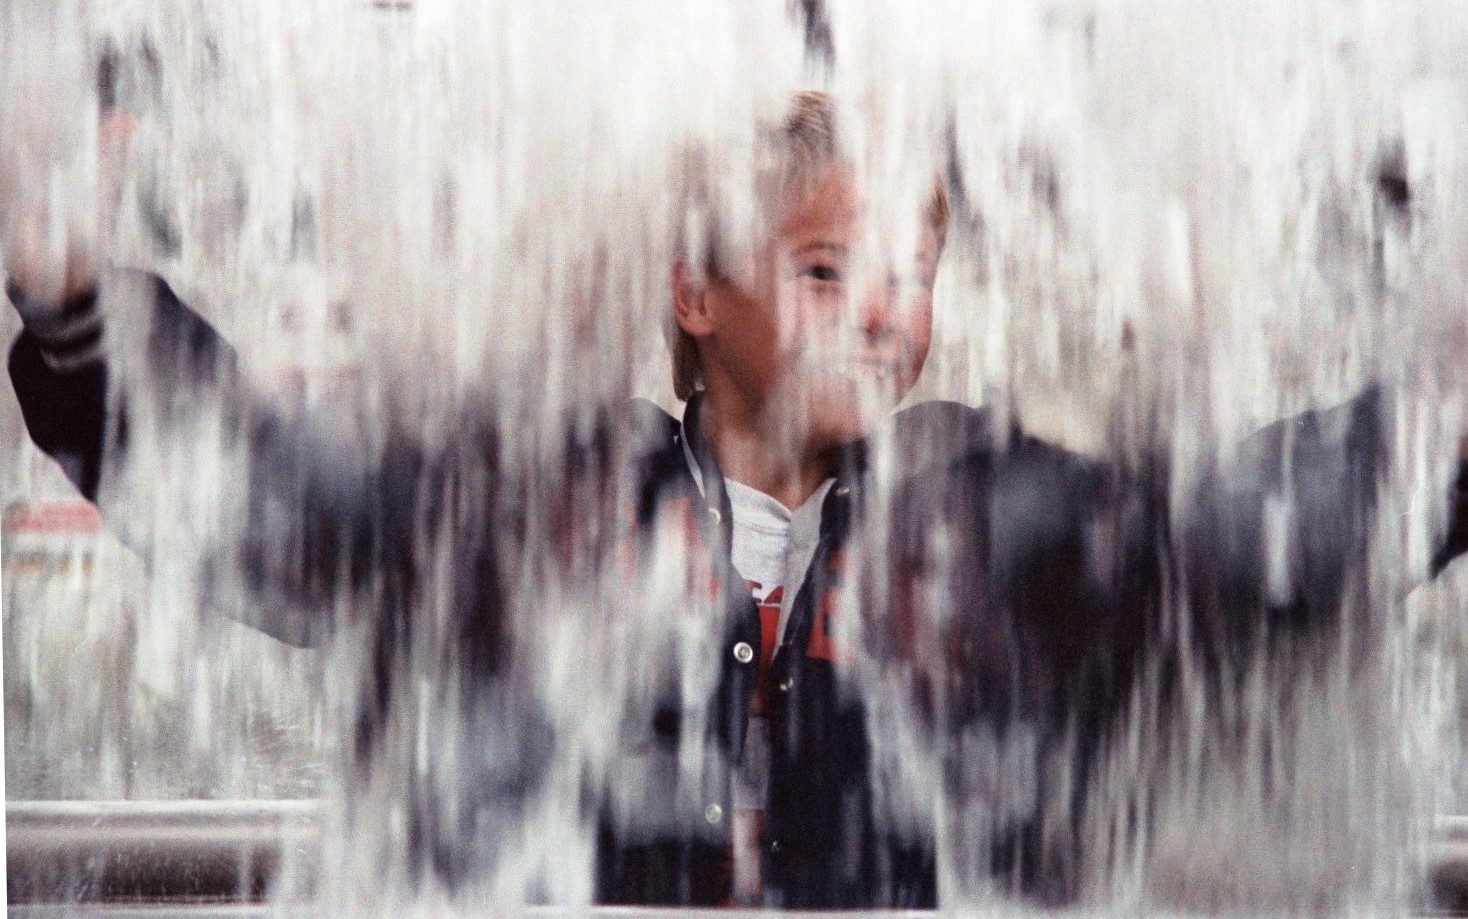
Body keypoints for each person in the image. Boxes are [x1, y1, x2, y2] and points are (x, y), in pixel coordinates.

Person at [7, 87, 1466, 910]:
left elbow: (1242, 538)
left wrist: (1446, 415)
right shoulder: (555, 499)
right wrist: (76, 315)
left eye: (911, 274)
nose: (882, 311)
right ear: (694, 292)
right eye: (829, 271)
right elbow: (283, 504)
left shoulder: (978, 511)